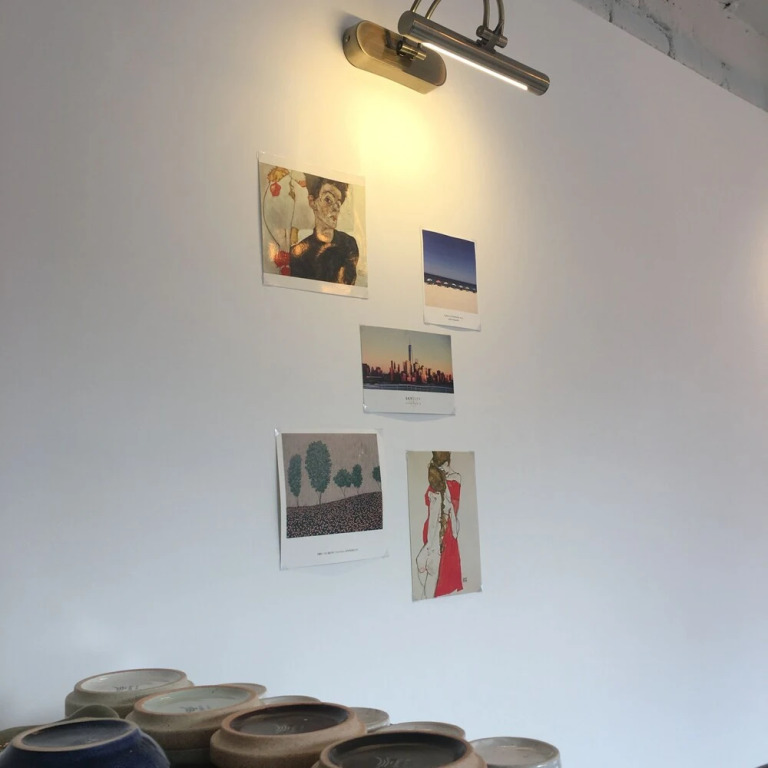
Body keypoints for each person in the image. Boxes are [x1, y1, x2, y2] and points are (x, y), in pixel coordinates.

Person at [290, 175, 359, 284]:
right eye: (328, 200)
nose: (336, 208)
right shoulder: (298, 255)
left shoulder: (349, 244)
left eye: (338, 203)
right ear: (312, 202)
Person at [415, 451, 462, 598]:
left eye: (442, 467)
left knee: (434, 571)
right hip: (433, 528)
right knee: (422, 564)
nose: (441, 470)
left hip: (443, 529)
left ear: (447, 463)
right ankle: (426, 596)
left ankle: (428, 598)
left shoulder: (454, 480)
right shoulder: (438, 478)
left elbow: (453, 508)